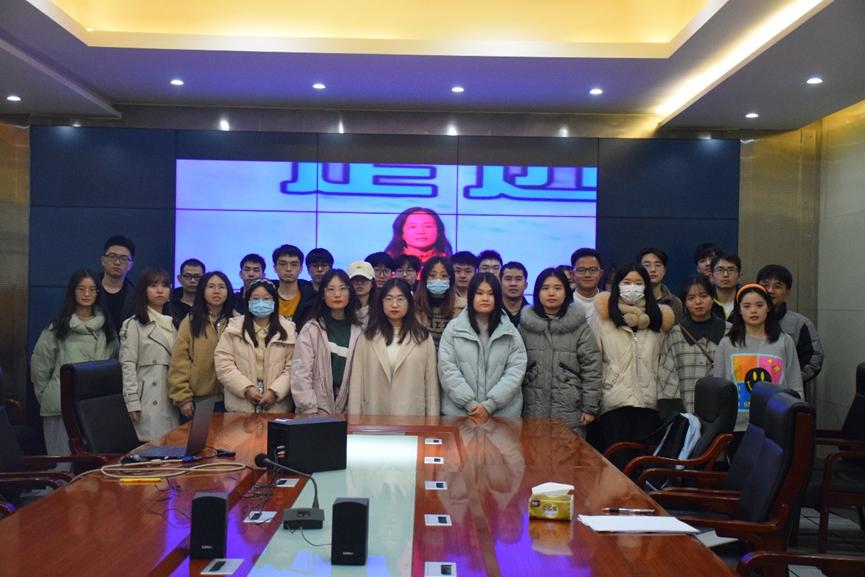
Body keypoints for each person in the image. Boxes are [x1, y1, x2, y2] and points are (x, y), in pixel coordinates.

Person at [593, 263, 675, 468]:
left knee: (645, 467)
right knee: (617, 466)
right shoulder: (603, 318)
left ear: (646, 286)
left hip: (650, 404)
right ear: (617, 285)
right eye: (627, 282)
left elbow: (666, 363)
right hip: (614, 403)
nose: (633, 287)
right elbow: (593, 361)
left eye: (638, 283)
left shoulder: (659, 320)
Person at [31, 269, 118, 457]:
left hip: (95, 408)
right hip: (59, 406)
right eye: (81, 289)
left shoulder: (107, 330)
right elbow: (40, 368)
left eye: (92, 289)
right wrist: (48, 396)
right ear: (73, 291)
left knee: (94, 465)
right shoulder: (58, 327)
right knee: (61, 463)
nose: (87, 294)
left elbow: (112, 369)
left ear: (98, 293)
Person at [518, 268, 602, 436]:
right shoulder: (525, 326)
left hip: (570, 408)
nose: (551, 293)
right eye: (545, 288)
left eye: (557, 288)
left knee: (568, 451)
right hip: (532, 407)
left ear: (566, 293)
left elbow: (592, 369)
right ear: (537, 293)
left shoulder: (579, 326)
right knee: (533, 451)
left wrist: (589, 407)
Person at [713, 283, 804, 432]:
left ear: (768, 307)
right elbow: (719, 386)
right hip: (736, 426)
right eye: (747, 306)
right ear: (739, 310)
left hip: (777, 423)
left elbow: (795, 384)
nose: (753, 310)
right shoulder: (727, 343)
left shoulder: (784, 341)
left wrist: (797, 420)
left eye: (759, 305)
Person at [438, 273, 527, 418]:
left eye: (491, 294)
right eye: (479, 293)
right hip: (460, 414)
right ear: (471, 296)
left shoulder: (510, 331)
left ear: (497, 298)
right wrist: (469, 404)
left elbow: (516, 371)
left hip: (502, 415)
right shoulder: (453, 329)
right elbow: (447, 369)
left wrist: (490, 405)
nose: (485, 298)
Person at [348, 278, 439, 416]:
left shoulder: (423, 338)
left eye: (400, 299)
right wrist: (354, 421)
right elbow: (356, 384)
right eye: (389, 299)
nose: (394, 304)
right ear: (381, 303)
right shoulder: (366, 337)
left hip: (412, 416)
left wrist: (432, 422)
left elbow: (431, 386)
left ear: (409, 303)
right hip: (374, 415)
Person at [214, 279, 295, 413]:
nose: (261, 303)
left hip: (278, 408)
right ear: (248, 302)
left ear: (274, 302)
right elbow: (223, 365)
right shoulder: (233, 329)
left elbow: (293, 367)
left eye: (266, 299)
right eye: (256, 299)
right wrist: (246, 389)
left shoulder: (288, 330)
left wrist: (275, 392)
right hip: (240, 407)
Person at [291, 269, 362, 415]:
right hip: (315, 410)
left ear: (350, 293)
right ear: (323, 295)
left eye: (343, 289)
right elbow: (301, 374)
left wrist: (353, 410)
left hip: (349, 411)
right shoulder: (311, 329)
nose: (337, 294)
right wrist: (310, 410)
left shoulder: (360, 331)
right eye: (331, 289)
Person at [120, 267, 178, 441]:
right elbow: (128, 365)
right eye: (153, 285)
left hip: (170, 396)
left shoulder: (173, 324)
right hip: (146, 397)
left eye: (165, 285)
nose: (160, 290)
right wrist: (132, 402)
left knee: (171, 446)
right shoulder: (134, 324)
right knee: (151, 448)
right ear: (143, 290)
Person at [657, 275, 728, 417]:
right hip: (687, 412)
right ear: (684, 303)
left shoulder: (730, 332)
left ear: (712, 298)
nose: (698, 302)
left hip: (723, 412)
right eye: (691, 298)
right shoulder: (675, 334)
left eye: (704, 296)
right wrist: (679, 417)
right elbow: (667, 377)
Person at [168, 271, 235, 419]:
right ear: (202, 291)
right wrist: (182, 396)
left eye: (221, 287)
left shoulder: (237, 321)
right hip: (200, 400)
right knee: (200, 435)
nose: (216, 291)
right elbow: (179, 360)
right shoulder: (191, 321)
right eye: (211, 286)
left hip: (233, 399)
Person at [756, 264, 824, 405]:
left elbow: (814, 358)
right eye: (765, 285)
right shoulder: (742, 320)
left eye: (777, 286)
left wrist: (789, 379)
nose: (770, 290)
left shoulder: (800, 323)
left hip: (787, 396)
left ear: (787, 292)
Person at [415, 256, 462, 348]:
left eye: (444, 276)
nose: (438, 280)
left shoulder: (462, 308)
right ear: (424, 278)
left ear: (450, 280)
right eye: (432, 275)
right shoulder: (414, 306)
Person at [384, 207, 453, 263]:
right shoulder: (388, 262)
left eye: (428, 226)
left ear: (439, 232)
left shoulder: (451, 262)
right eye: (412, 227)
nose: (420, 232)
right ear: (401, 233)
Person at [272, 244, 316, 329]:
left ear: (301, 269)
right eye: (283, 264)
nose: (288, 269)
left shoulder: (313, 299)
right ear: (275, 268)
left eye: (294, 264)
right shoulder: (265, 296)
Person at [99, 235, 136, 332]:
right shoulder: (88, 288)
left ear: (131, 265)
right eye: (112, 256)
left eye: (123, 258)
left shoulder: (135, 297)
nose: (117, 262)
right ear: (103, 260)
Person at [638, 248, 684, 322]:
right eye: (647, 265)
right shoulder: (633, 299)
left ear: (664, 271)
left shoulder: (675, 303)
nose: (653, 269)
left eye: (657, 265)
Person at [571, 247, 603, 324]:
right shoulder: (563, 301)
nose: (587, 275)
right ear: (572, 274)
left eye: (593, 270)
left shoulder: (611, 301)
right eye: (581, 270)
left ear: (601, 273)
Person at [171, 258, 205, 327]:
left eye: (197, 277)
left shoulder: (209, 303)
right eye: (187, 276)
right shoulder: (169, 303)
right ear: (179, 278)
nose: (192, 280)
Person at [711, 252, 741, 320]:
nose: (725, 275)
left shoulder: (746, 301)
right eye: (720, 270)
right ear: (712, 276)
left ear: (739, 276)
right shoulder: (705, 302)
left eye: (731, 270)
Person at [500, 261, 529, 328]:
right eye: (508, 279)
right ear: (500, 283)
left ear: (526, 285)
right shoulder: (492, 312)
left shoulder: (534, 314)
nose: (513, 284)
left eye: (518, 279)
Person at [348, 261, 376, 328]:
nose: (359, 283)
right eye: (355, 279)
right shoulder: (343, 309)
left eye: (364, 279)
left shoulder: (380, 308)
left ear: (372, 283)